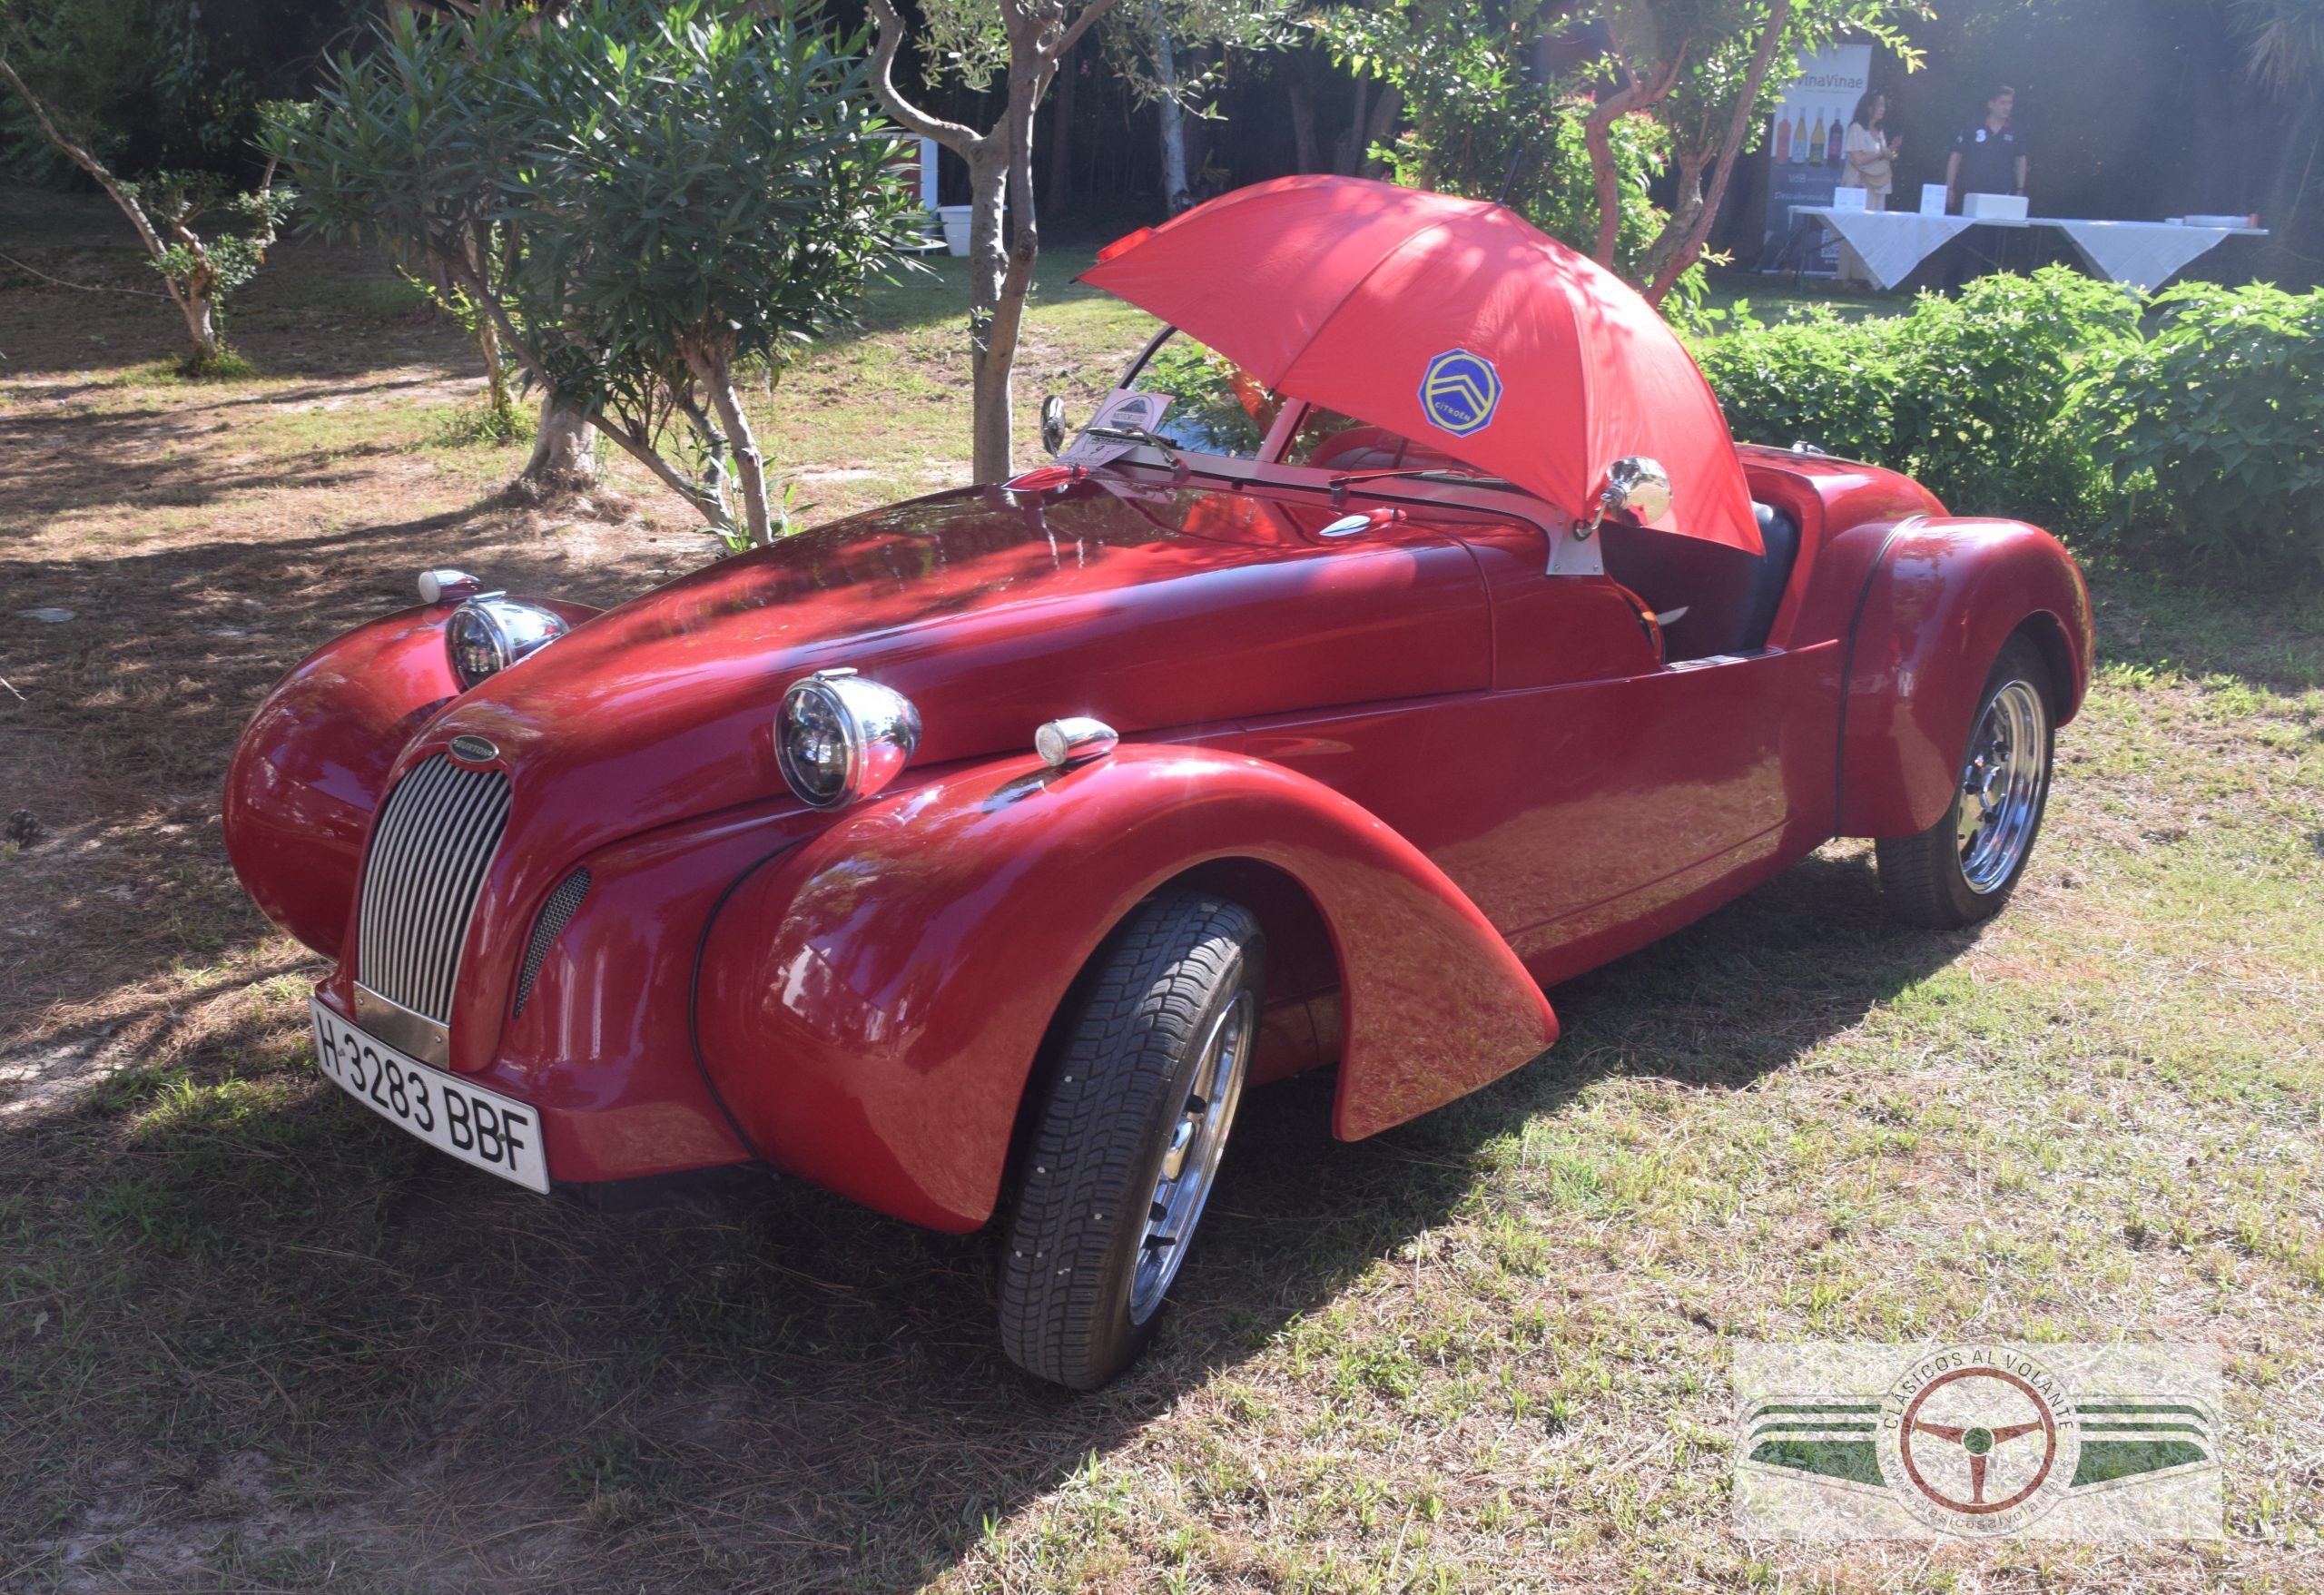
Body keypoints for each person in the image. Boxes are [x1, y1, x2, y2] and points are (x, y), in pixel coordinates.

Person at [1946, 84, 2028, 212]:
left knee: (1996, 230)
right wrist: (1949, 187)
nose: (2007, 107)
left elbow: (2021, 159)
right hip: (1971, 192)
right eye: (2003, 103)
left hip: (2003, 193)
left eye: (2010, 103)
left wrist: (2020, 189)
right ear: (1991, 104)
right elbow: (1956, 156)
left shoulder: (2016, 129)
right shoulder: (1973, 125)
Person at [1844, 90, 1899, 211]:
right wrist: (1881, 153)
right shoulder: (1856, 128)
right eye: (1879, 105)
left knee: (1876, 221)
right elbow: (1858, 159)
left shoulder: (1879, 130)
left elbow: (1881, 155)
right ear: (1869, 107)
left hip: (1878, 183)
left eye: (1884, 105)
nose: (1883, 109)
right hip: (1859, 184)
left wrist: (1891, 150)